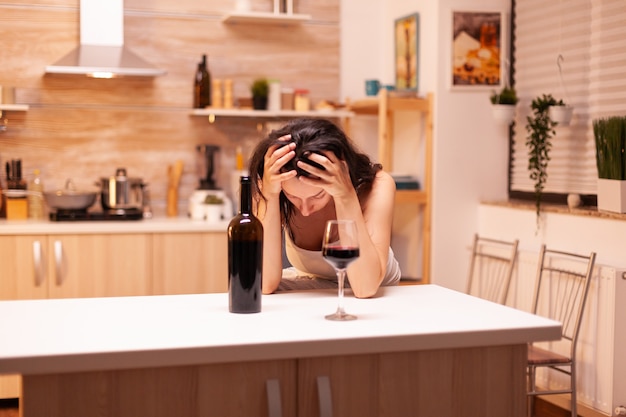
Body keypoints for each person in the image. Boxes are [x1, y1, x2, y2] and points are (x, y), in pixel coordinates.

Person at [248, 118, 401, 298]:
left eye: (317, 196)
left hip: (377, 293)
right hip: (320, 289)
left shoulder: (378, 185)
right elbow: (264, 282)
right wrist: (270, 196)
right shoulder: (271, 185)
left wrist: (345, 195)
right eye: (293, 197)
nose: (304, 210)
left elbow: (365, 288)